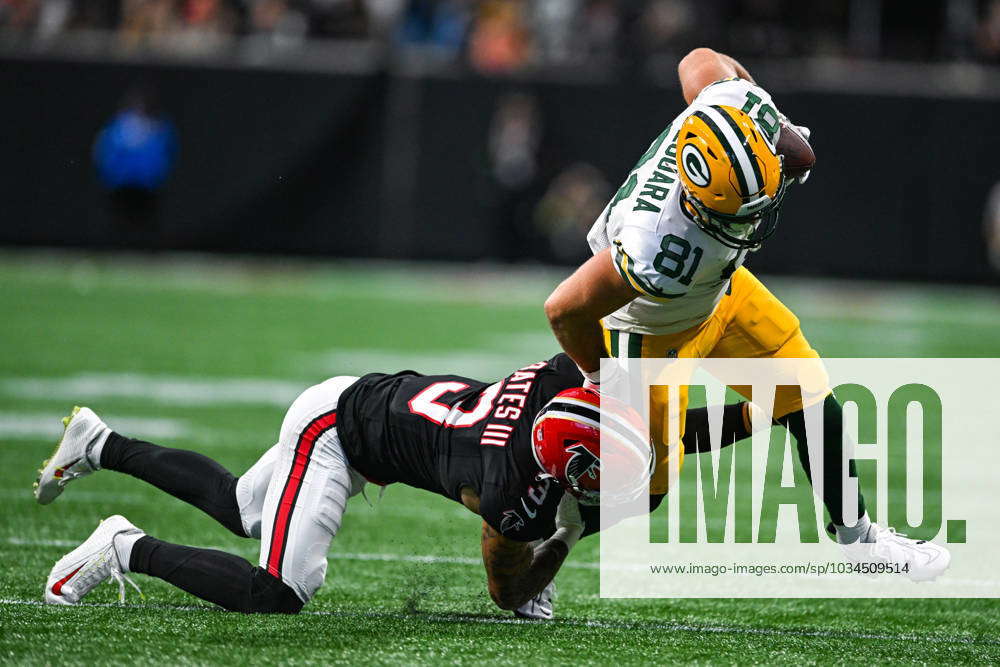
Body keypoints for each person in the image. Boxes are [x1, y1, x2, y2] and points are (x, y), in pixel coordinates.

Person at [543, 47, 950, 579]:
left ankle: (859, 538)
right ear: (699, 203)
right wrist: (601, 377)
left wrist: (771, 123)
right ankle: (545, 533)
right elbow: (565, 308)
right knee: (641, 489)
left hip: (721, 290)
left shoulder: (732, 102)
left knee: (808, 394)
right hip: (651, 327)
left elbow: (699, 59)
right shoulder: (656, 249)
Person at [34, 354, 652, 619]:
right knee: (279, 592)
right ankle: (123, 546)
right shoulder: (503, 489)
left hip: (358, 403)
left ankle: (97, 443)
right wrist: (570, 531)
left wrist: (745, 415)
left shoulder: (559, 379)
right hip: (337, 432)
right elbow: (507, 585)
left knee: (239, 507)